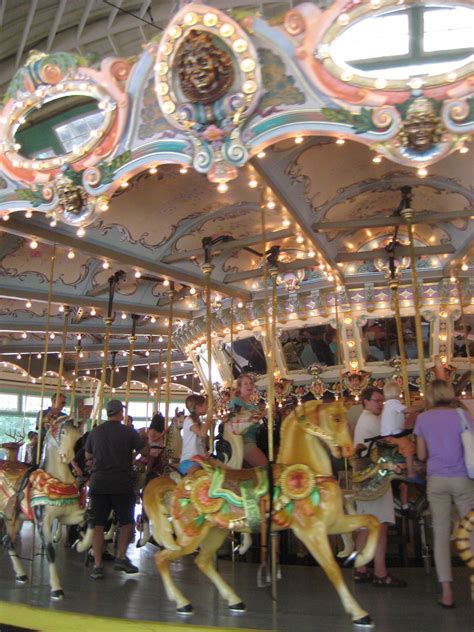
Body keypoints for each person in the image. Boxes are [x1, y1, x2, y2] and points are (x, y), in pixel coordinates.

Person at [414, 380, 474, 608]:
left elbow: (421, 455)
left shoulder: (423, 419)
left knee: (440, 534)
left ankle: (447, 592)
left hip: (436, 480)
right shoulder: (461, 415)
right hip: (461, 478)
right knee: (470, 531)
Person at [85, 399, 145, 580]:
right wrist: (133, 455)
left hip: (99, 482)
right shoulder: (128, 431)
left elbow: (88, 455)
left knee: (98, 525)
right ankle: (120, 557)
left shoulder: (95, 432)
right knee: (126, 522)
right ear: (120, 413)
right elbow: (147, 451)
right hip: (121, 482)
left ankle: (97, 565)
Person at [353, 387, 407, 587]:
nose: (380, 404)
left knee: (367, 526)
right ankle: (380, 572)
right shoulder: (372, 421)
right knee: (380, 525)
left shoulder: (366, 420)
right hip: (375, 478)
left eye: (382, 401)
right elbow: (389, 441)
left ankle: (360, 568)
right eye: (376, 400)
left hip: (365, 478)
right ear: (365, 401)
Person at [380, 380, 421, 512]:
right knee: (408, 446)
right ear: (397, 392)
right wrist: (422, 405)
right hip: (392, 436)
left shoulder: (389, 405)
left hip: (393, 434)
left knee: (408, 443)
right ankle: (411, 472)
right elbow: (408, 410)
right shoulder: (394, 404)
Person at [228, 374, 268, 467]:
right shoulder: (236, 402)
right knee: (264, 466)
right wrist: (263, 414)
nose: (249, 385)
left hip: (255, 437)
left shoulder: (253, 404)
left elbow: (258, 422)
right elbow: (239, 421)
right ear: (239, 387)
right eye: (245, 384)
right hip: (244, 440)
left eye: (251, 383)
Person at [179, 395, 212, 476]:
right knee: (200, 477)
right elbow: (202, 434)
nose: (207, 407)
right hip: (189, 460)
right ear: (198, 407)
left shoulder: (198, 422)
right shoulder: (189, 420)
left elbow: (202, 440)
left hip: (200, 460)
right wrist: (208, 418)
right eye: (206, 404)